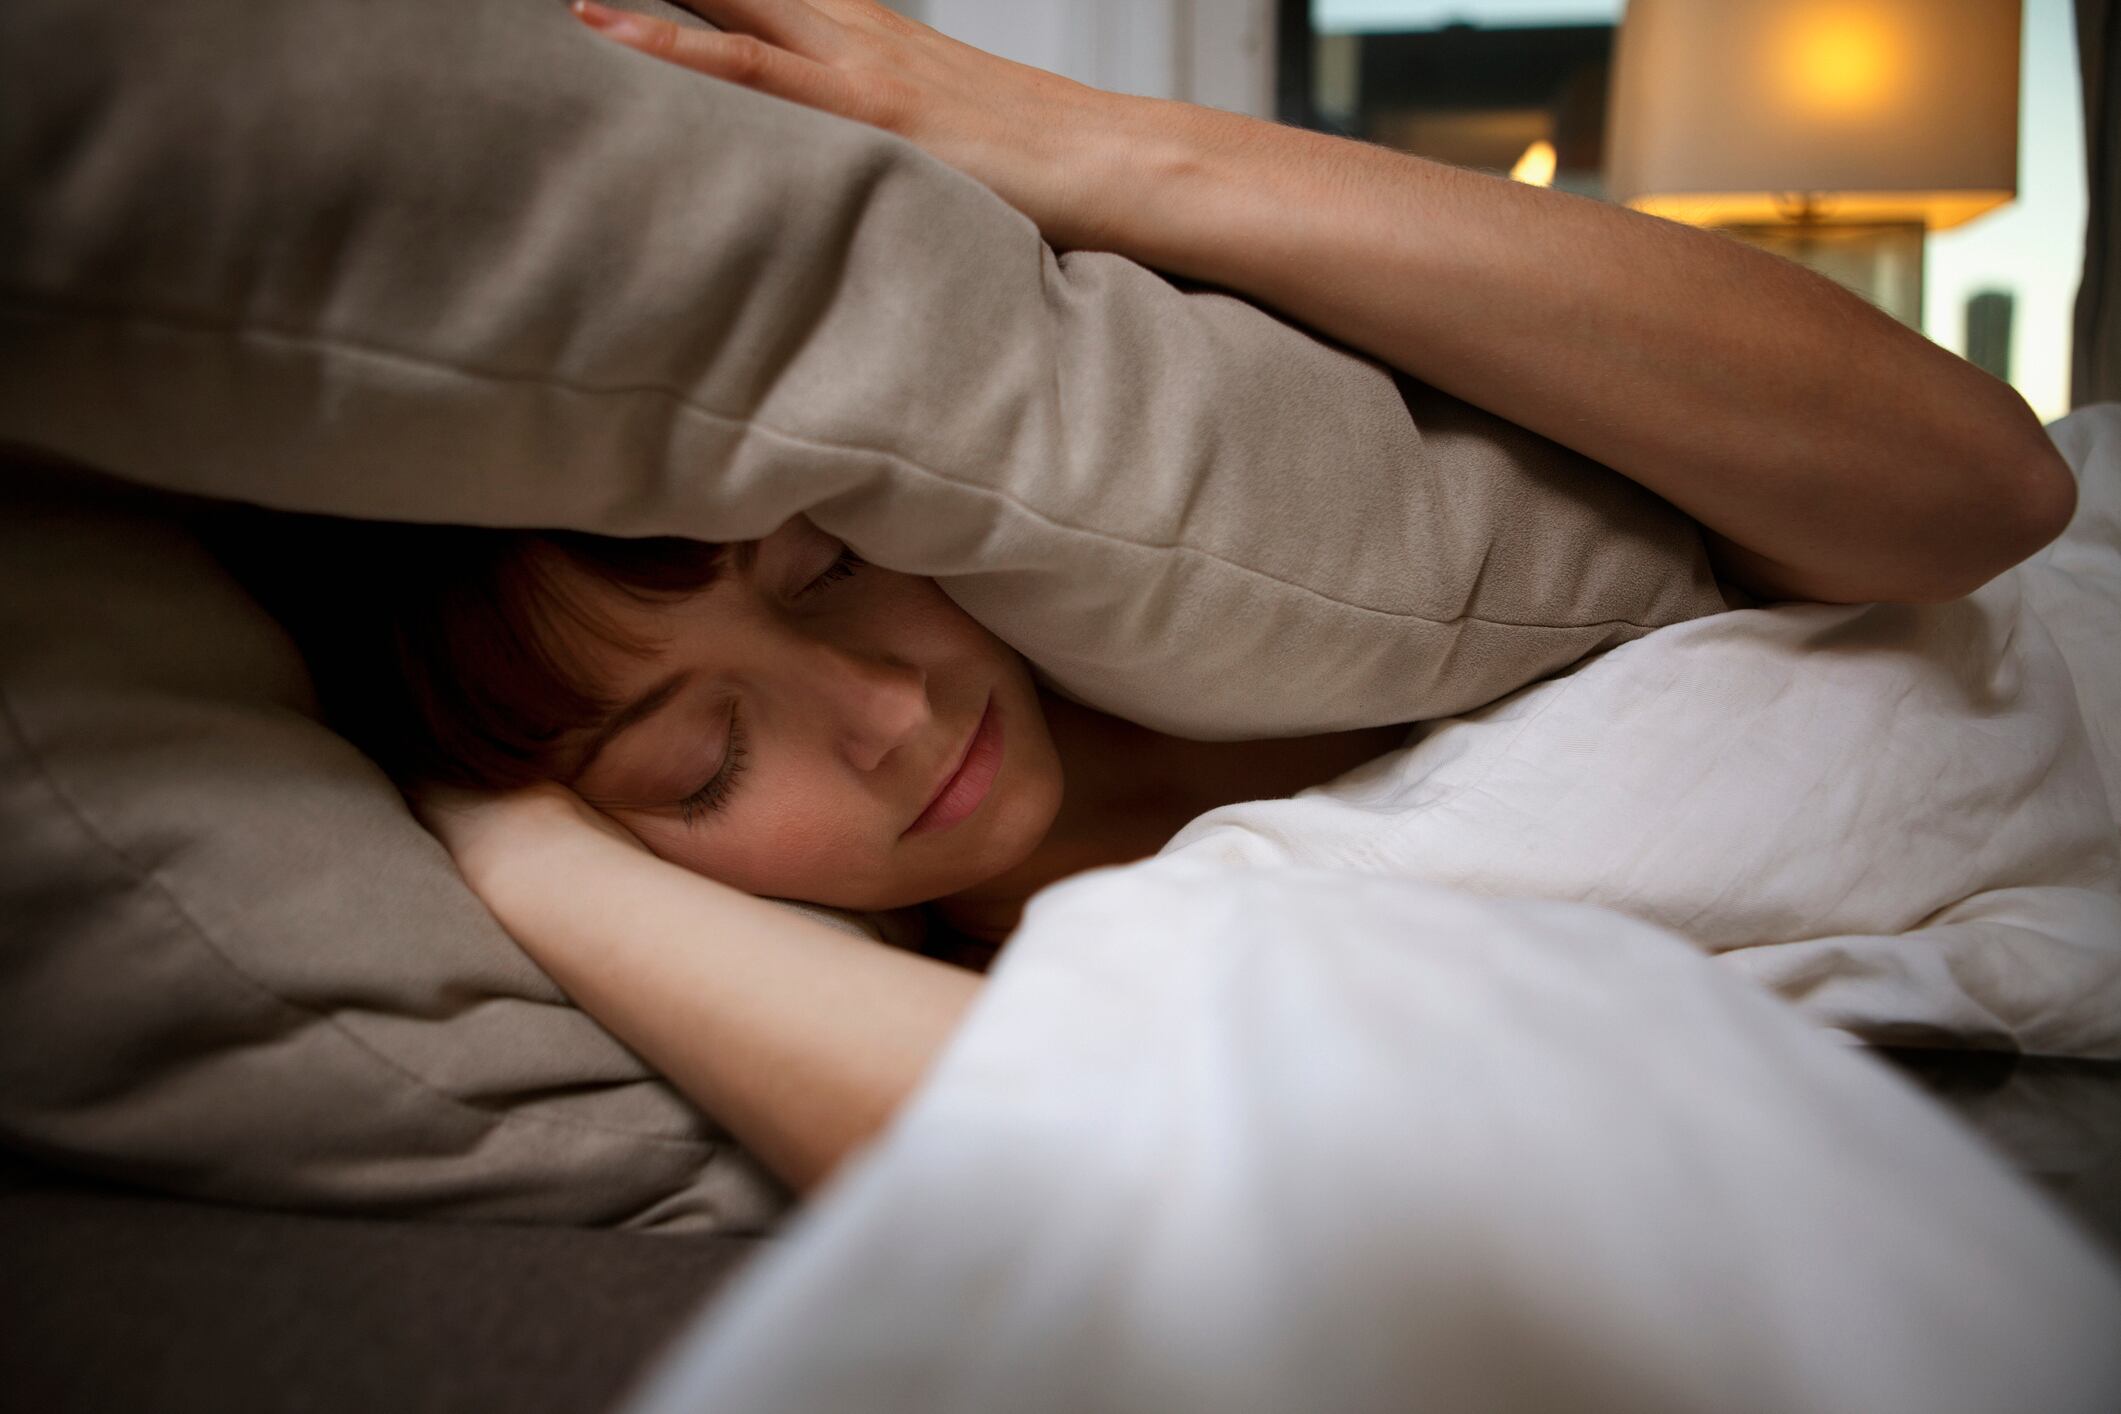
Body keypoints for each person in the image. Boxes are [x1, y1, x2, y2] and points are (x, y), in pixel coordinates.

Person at [381, 0, 2076, 1198]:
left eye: (825, 569)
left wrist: (1058, 136)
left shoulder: (1258, 500)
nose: (888, 713)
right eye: (705, 770)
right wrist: (503, 835)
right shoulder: (1010, 982)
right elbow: (1097, 1177)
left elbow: (1990, 492)